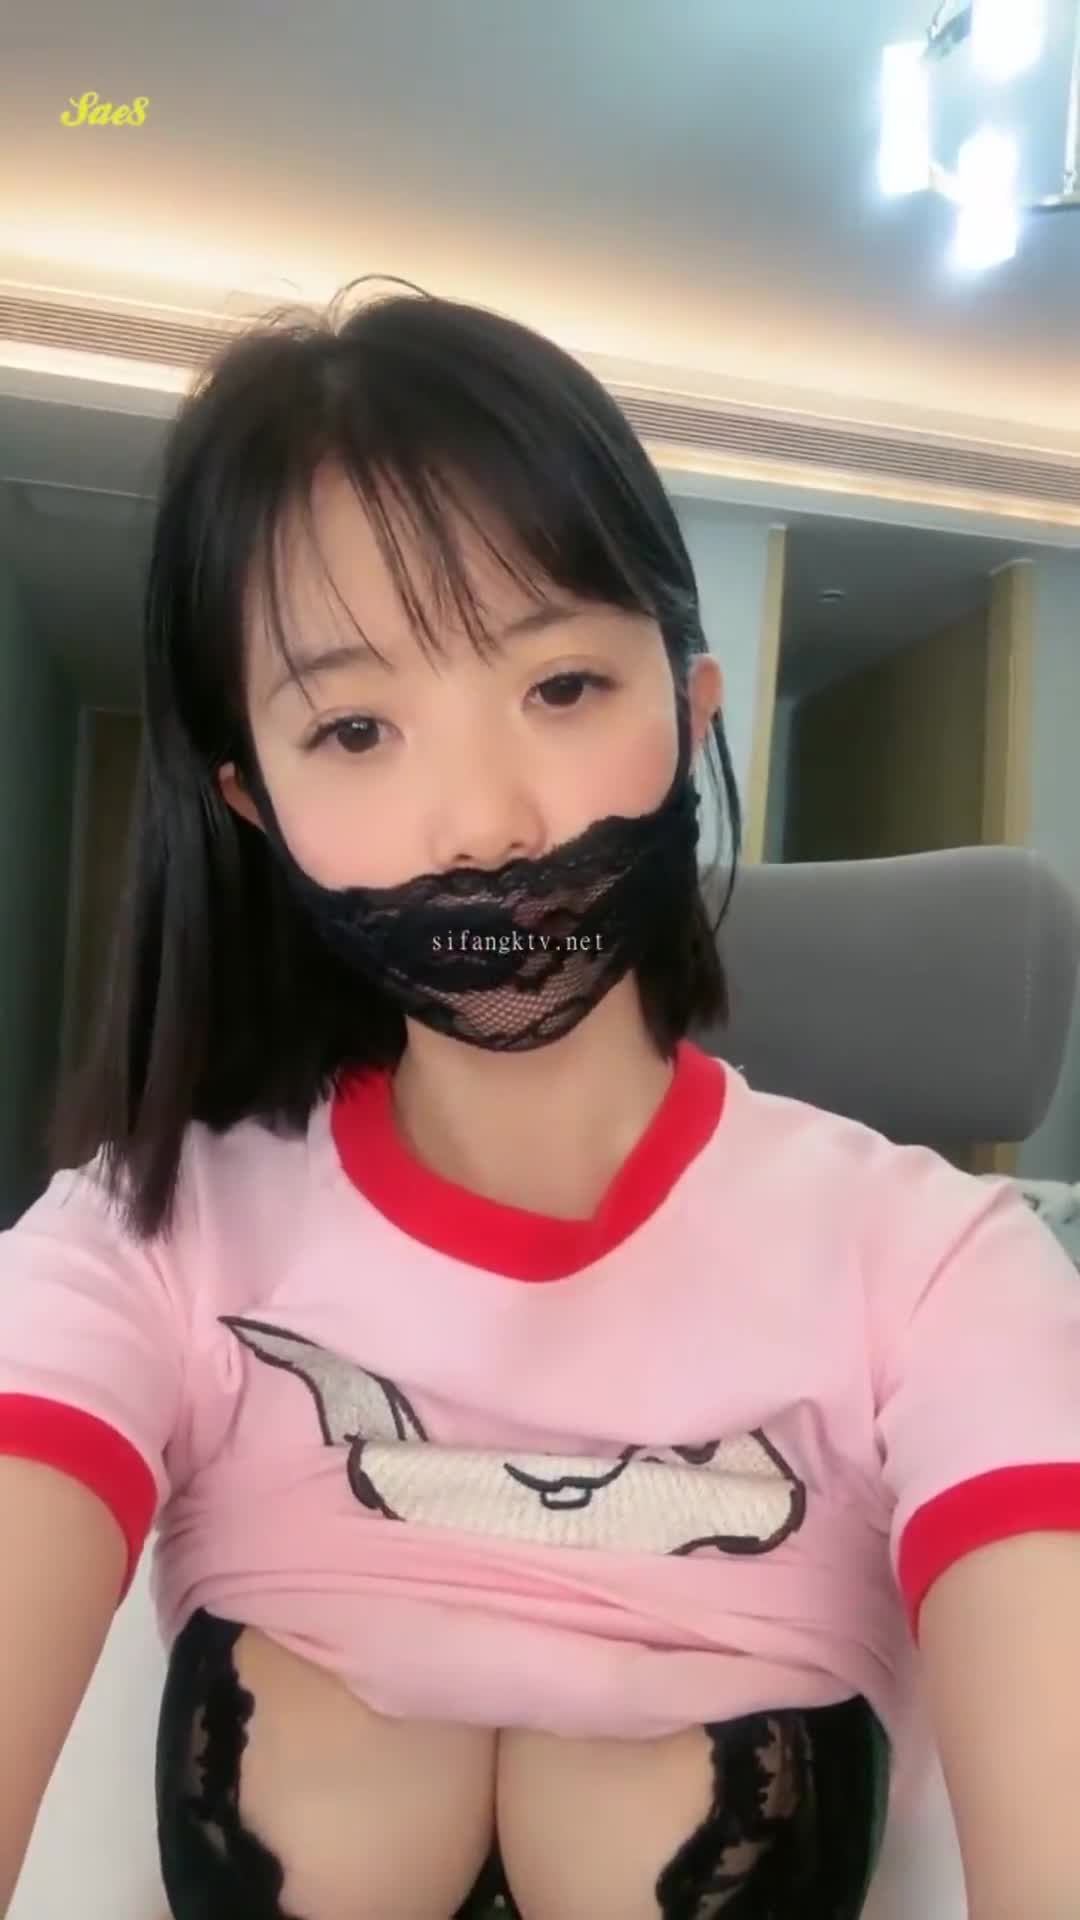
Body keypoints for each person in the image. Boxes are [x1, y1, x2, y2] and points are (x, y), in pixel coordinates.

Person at [0, 280, 1078, 1920]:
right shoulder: (141, 1242)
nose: (485, 823)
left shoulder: (945, 1272)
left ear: (688, 711)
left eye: (562, 688)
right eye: (354, 727)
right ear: (254, 805)